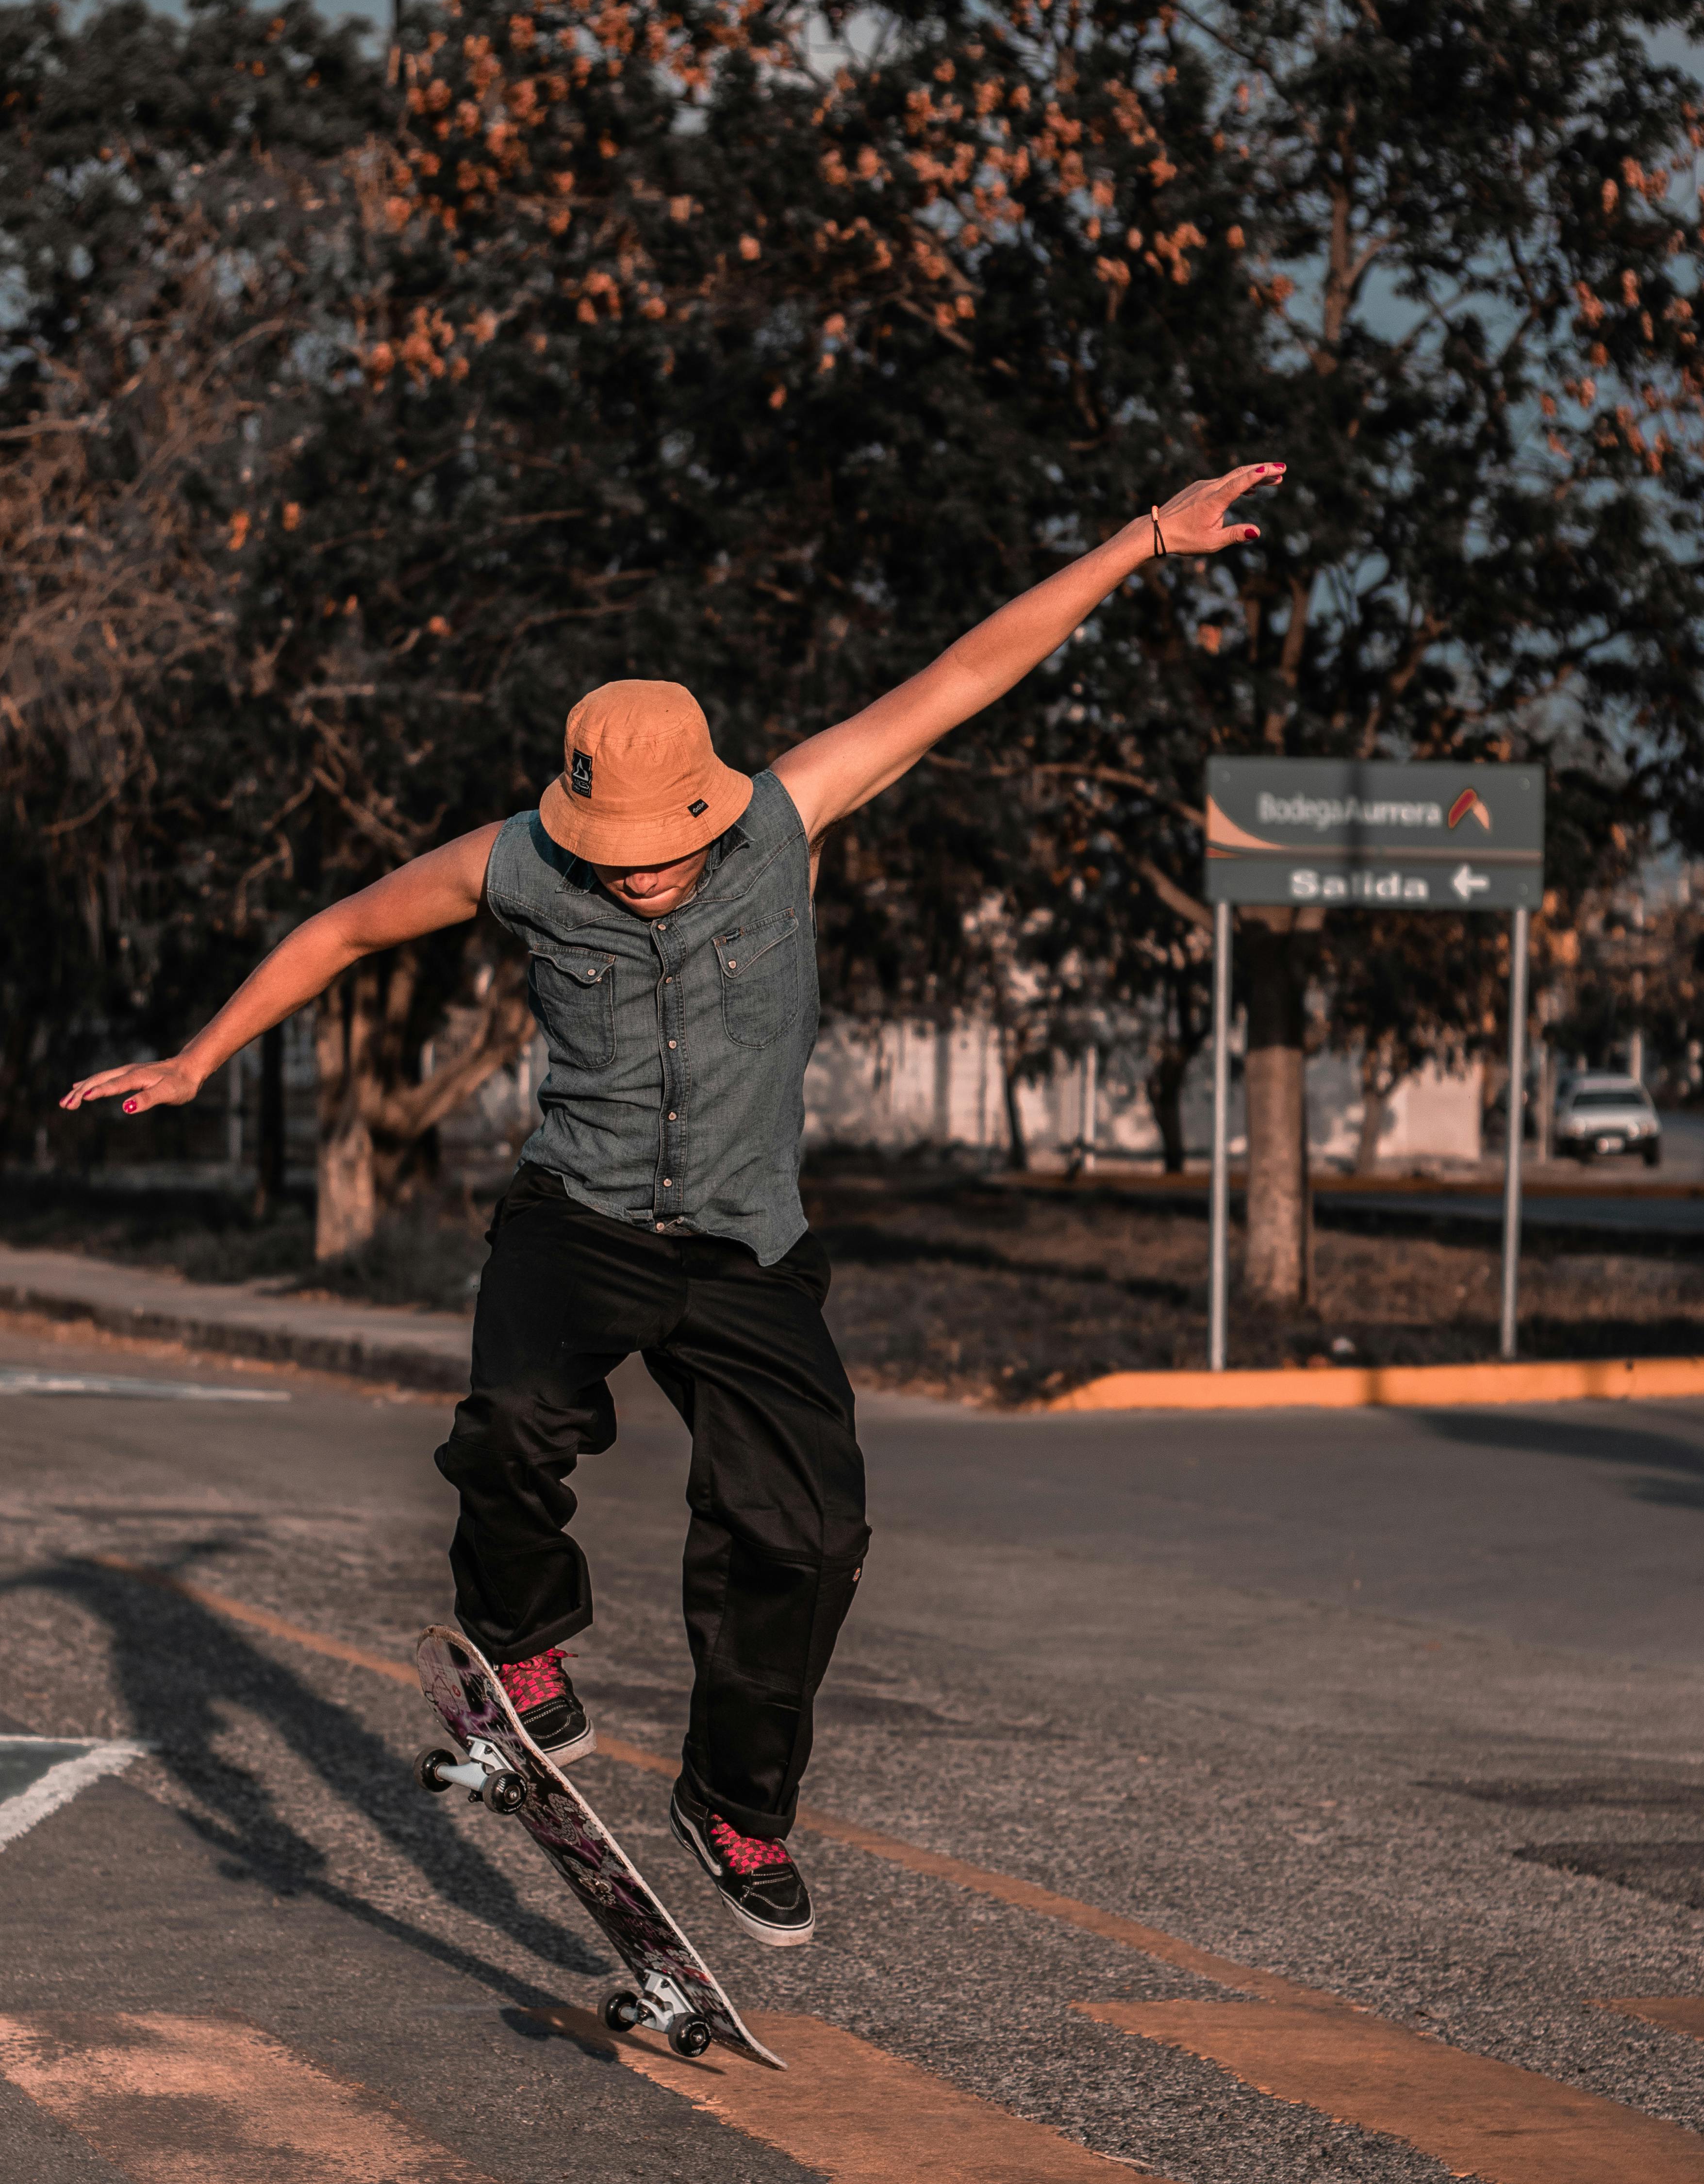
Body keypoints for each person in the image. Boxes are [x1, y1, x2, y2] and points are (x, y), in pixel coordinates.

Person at [62, 462, 1286, 1945]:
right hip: (574, 1218)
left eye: (671, 850)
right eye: (618, 855)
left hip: (745, 1250)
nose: (645, 877)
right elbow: (343, 926)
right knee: (510, 1421)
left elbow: (969, 668)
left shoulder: (786, 817)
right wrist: (201, 1057)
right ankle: (519, 1653)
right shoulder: (517, 862)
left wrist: (1147, 536)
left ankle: (733, 1802)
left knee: (813, 1536)